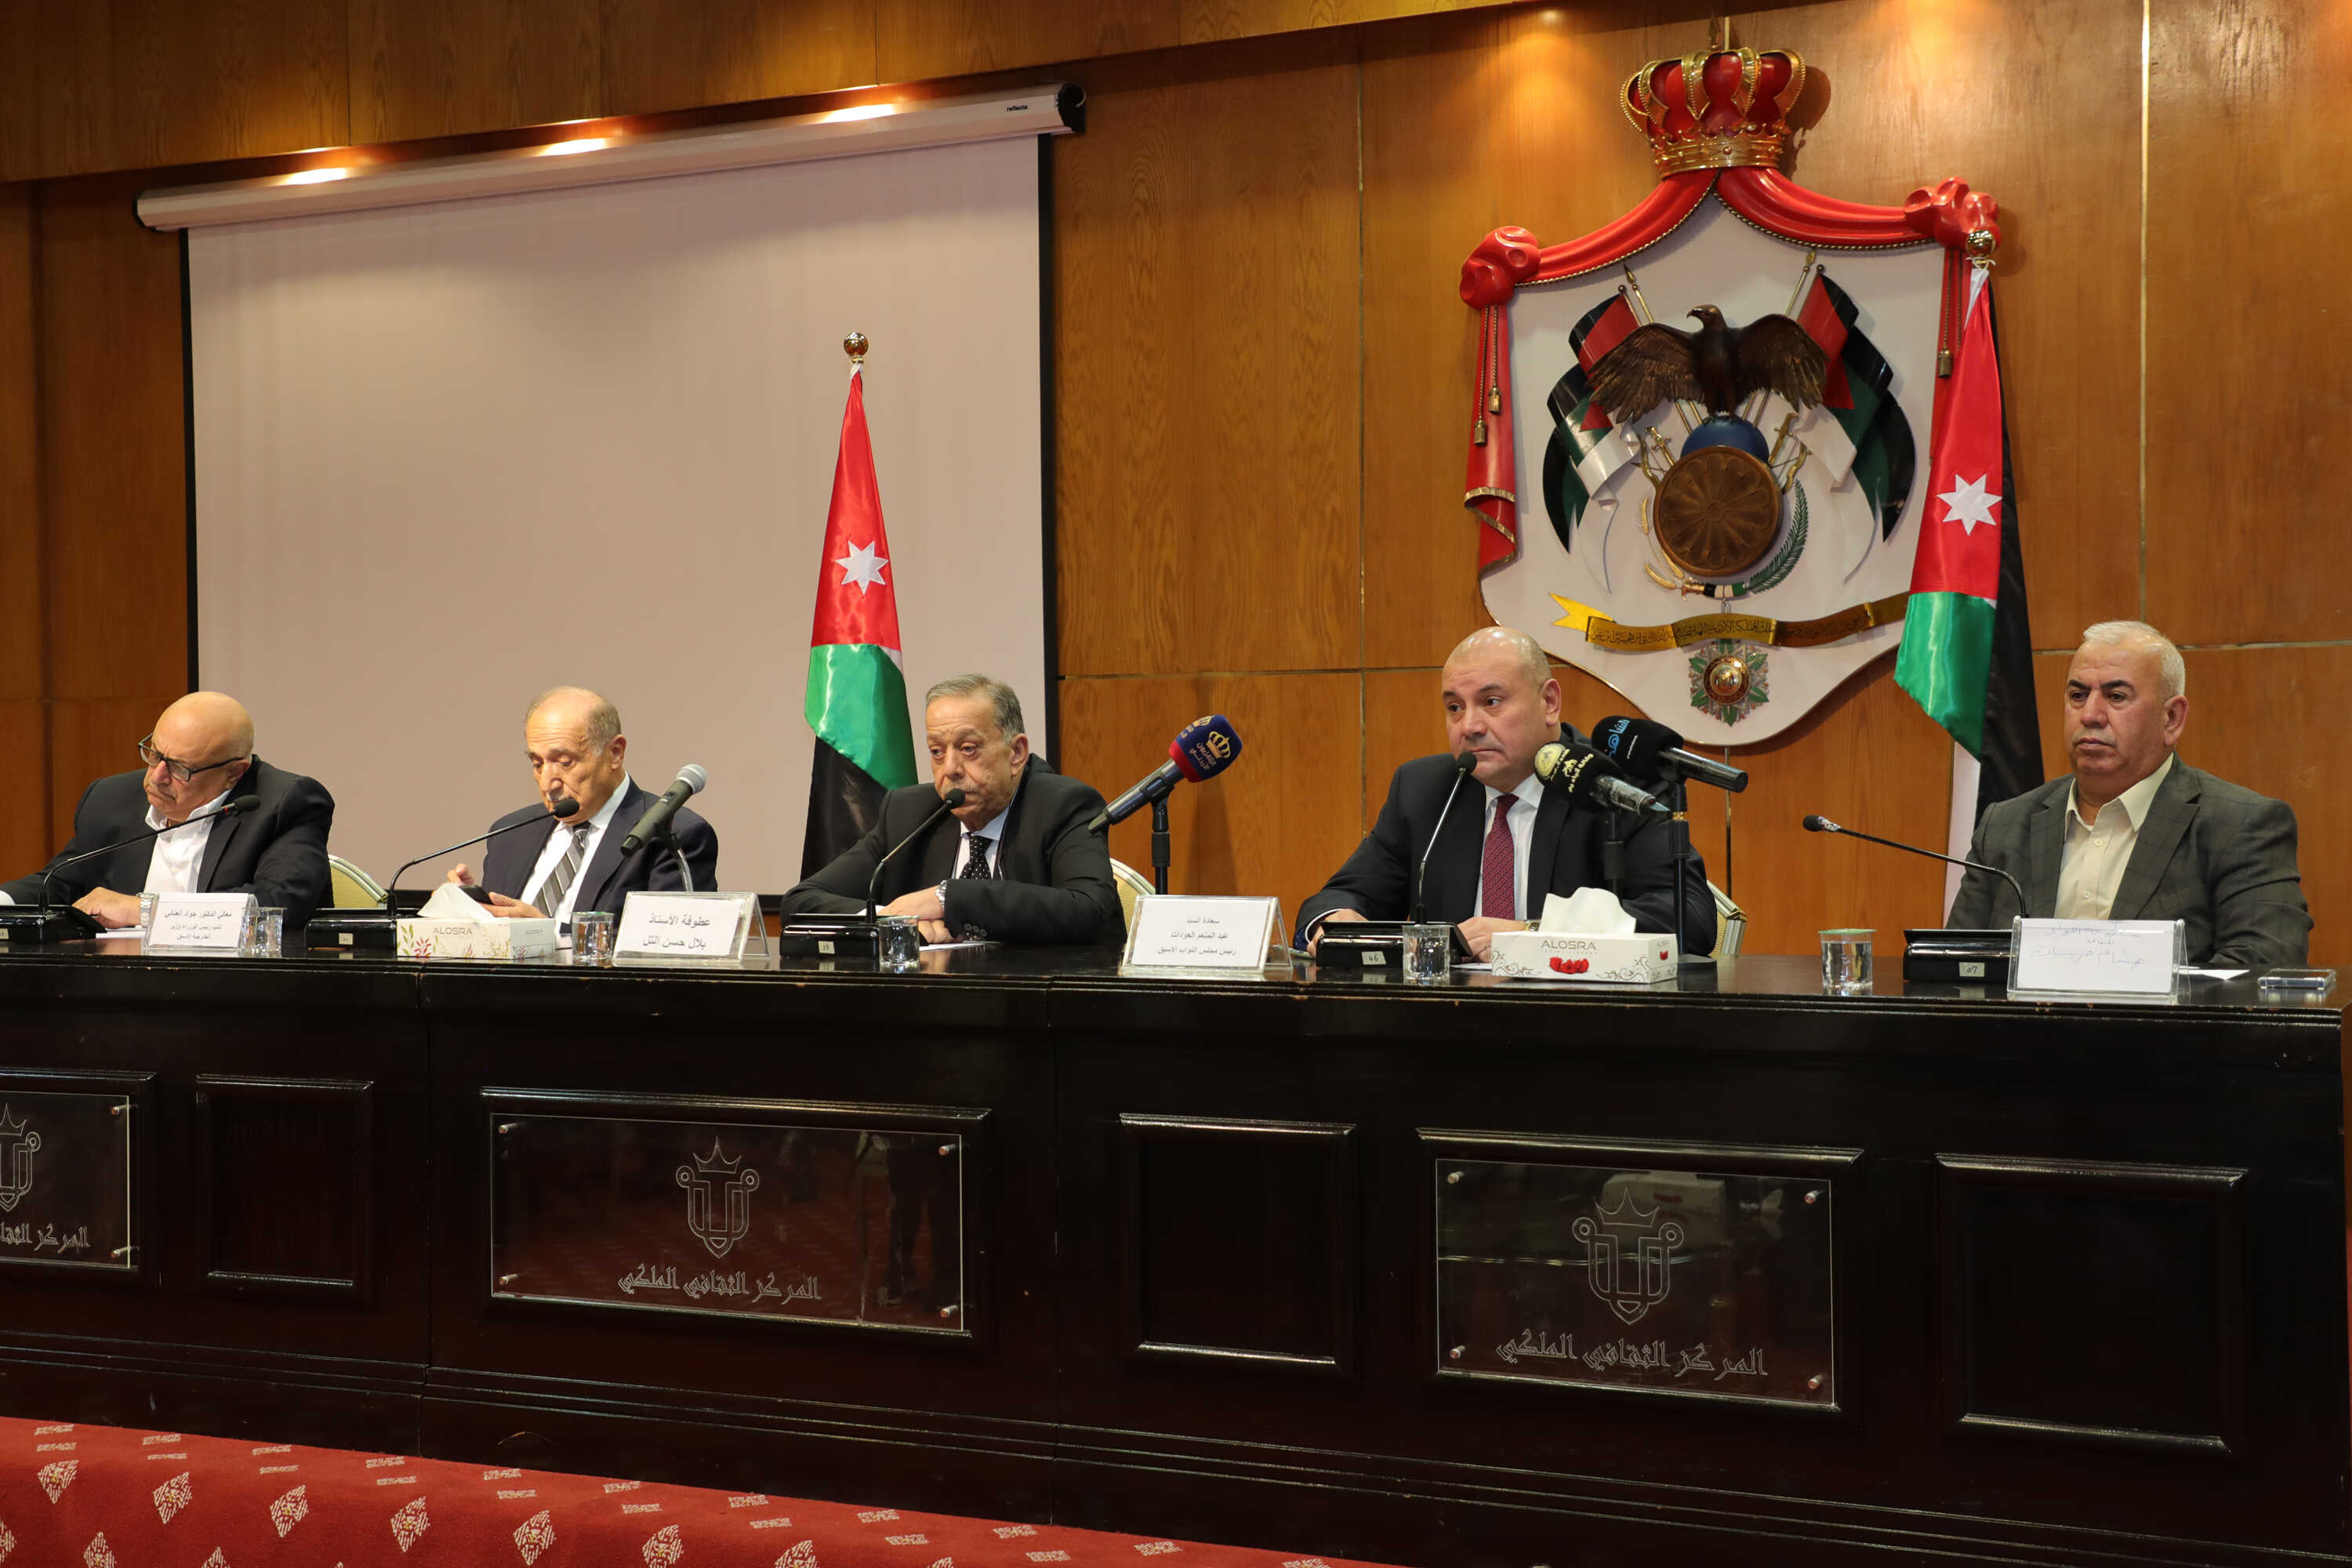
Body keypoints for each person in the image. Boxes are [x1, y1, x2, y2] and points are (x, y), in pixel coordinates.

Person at [1299, 626, 1715, 961]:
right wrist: (1337, 920)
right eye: (1455, 708)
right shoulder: (1425, 790)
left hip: (1581, 1025)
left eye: (1492, 701)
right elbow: (1342, 895)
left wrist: (1531, 933)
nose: (1470, 726)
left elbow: (1690, 918)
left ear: (1549, 702)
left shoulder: (1614, 787)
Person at [1947, 620, 2309, 968]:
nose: (2090, 714)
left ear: (2171, 719)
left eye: (2116, 696)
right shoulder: (2006, 825)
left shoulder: (2240, 827)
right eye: (2078, 695)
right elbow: (1953, 967)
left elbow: (2263, 970)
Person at [781, 674, 1122, 946]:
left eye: (969, 749)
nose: (951, 769)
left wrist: (948, 898)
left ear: (1016, 753)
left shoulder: (1063, 805)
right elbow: (801, 902)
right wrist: (891, 921)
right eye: (937, 751)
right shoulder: (908, 813)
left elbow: (1091, 910)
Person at [0, 691, 334, 927]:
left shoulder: (284, 803)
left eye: (179, 768)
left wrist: (144, 910)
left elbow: (280, 902)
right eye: (155, 755)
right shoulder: (111, 798)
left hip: (239, 988)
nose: (156, 777)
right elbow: (60, 883)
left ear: (234, 773)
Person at [451, 687, 717, 927]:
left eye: (565, 762)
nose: (547, 783)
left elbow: (662, 949)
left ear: (615, 753)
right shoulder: (510, 834)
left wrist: (546, 933)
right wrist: (476, 913)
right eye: (537, 764)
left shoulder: (672, 833)